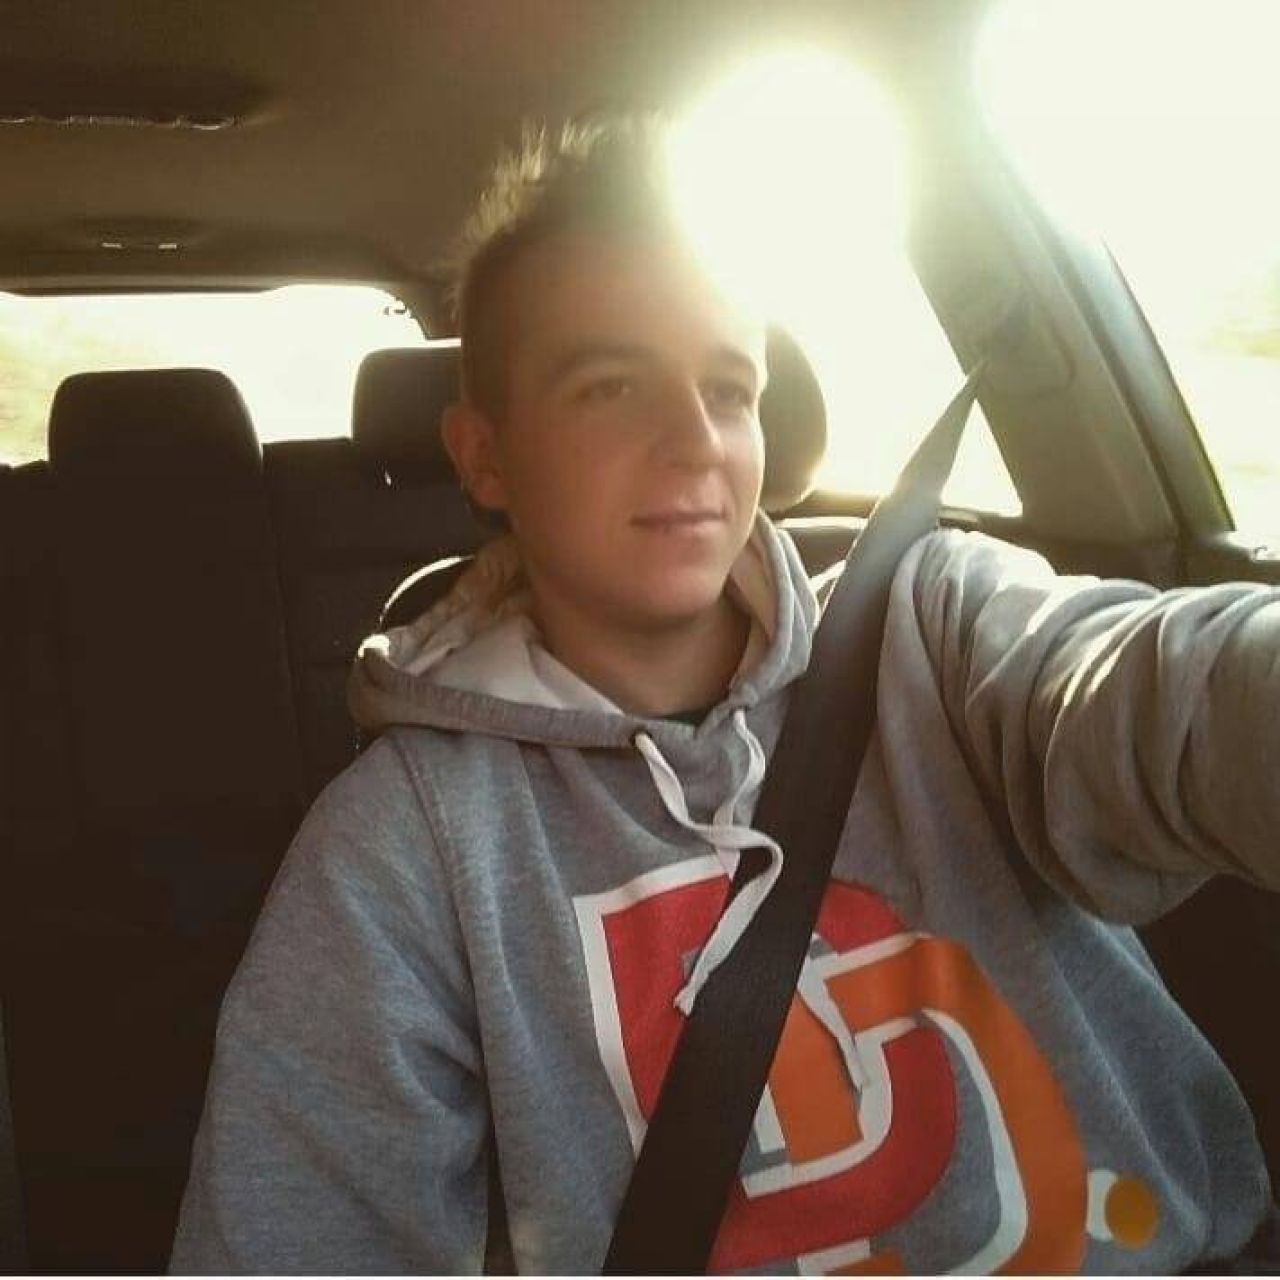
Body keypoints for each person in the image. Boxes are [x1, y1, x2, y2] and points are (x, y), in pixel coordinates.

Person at [170, 117, 1279, 1274]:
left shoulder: (934, 624)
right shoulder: (404, 849)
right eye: (611, 385)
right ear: (483, 454)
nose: (695, 439)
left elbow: (1176, 691)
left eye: (728, 386)